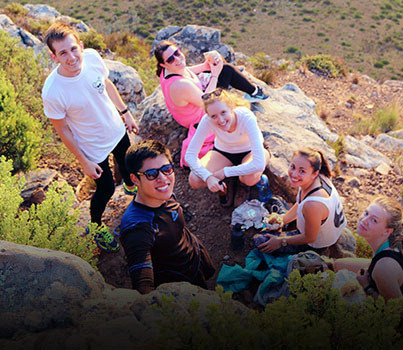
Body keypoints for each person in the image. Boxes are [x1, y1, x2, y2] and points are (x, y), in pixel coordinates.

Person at [42, 22, 139, 252]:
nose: (71, 57)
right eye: (63, 53)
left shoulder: (92, 59)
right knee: (104, 189)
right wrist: (84, 161)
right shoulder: (53, 91)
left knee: (127, 164)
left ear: (81, 46)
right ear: (53, 56)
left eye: (74, 49)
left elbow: (105, 84)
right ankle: (95, 227)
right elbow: (63, 129)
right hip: (93, 148)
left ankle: (130, 189)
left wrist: (125, 113)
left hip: (117, 130)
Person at [119, 140, 215, 293]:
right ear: (135, 179)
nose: (163, 178)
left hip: (193, 259)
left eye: (167, 169)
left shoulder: (163, 194)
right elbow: (143, 285)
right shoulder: (137, 229)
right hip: (178, 284)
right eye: (151, 174)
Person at [153, 40, 268, 167]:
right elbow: (207, 101)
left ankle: (254, 91)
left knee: (224, 69)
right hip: (199, 114)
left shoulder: (167, 72)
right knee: (227, 71)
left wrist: (204, 66)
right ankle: (255, 92)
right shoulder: (181, 85)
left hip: (189, 108)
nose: (177, 59)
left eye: (177, 53)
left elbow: (185, 70)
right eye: (170, 59)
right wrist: (214, 74)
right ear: (163, 64)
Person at [333, 196, 403, 319]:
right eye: (366, 213)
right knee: (338, 265)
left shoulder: (383, 268)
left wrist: (367, 286)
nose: (364, 220)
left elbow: (400, 314)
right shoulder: (397, 240)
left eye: (374, 220)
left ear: (387, 231)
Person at [185, 88, 270, 206]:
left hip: (250, 151)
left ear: (231, 108)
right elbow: (189, 155)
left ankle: (242, 182)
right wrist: (208, 177)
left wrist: (225, 172)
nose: (220, 120)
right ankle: (228, 184)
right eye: (213, 116)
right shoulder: (207, 121)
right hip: (223, 152)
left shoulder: (246, 116)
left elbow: (259, 163)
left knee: (250, 178)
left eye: (223, 112)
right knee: (194, 179)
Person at [257, 148, 347, 256]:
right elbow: (301, 202)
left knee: (260, 240)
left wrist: (281, 241)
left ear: (314, 173)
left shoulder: (313, 205)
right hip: (325, 227)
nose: (294, 174)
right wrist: (283, 220)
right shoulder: (318, 178)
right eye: (293, 167)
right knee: (274, 201)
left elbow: (310, 238)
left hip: (316, 243)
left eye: (302, 171)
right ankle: (283, 226)